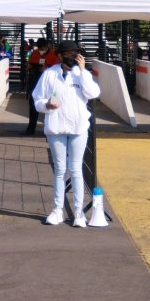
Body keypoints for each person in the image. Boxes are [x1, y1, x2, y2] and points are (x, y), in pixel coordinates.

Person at [33, 41, 101, 227]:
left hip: (78, 128)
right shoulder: (49, 74)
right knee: (60, 170)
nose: (72, 56)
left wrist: (84, 71)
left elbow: (93, 93)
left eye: (75, 53)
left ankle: (78, 213)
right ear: (60, 56)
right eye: (68, 53)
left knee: (76, 169)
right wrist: (46, 105)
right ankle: (57, 210)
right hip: (56, 127)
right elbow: (37, 98)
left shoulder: (81, 74)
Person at [23, 38, 57, 135]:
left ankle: (51, 129)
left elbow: (57, 67)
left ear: (47, 46)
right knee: (33, 104)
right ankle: (31, 129)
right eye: (39, 48)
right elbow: (29, 63)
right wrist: (30, 66)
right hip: (35, 80)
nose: (41, 49)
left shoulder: (53, 54)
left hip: (49, 82)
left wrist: (47, 68)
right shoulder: (35, 53)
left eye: (43, 47)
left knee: (52, 105)